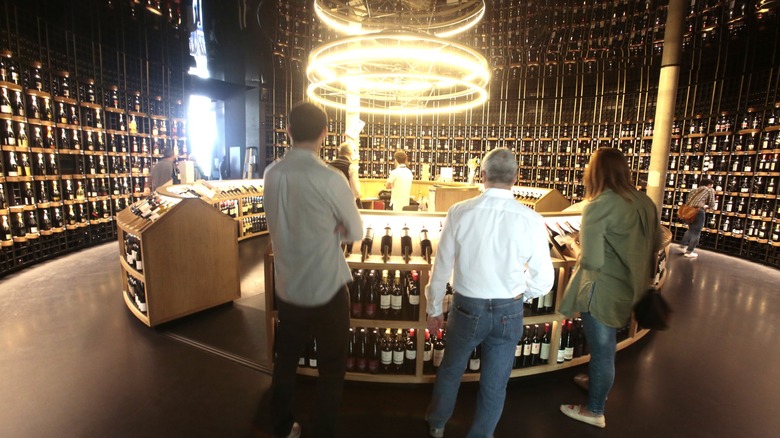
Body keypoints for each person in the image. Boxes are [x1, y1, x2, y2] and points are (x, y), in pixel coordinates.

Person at [424, 147, 555, 438]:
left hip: (467, 308)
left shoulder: (459, 212)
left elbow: (441, 265)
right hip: (510, 309)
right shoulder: (531, 218)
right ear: (516, 177)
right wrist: (523, 293)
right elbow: (544, 279)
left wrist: (434, 308)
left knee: (450, 370)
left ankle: (437, 424)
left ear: (482, 176)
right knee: (496, 383)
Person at [263, 102, 363, 438]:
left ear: (288, 131)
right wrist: (335, 229)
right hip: (328, 288)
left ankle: (281, 427)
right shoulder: (332, 179)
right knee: (332, 370)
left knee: (286, 362)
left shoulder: (271, 174)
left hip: (288, 287)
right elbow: (356, 232)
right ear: (324, 133)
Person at [558, 147, 661, 429]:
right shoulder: (644, 201)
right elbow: (656, 242)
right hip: (631, 287)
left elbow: (591, 260)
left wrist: (572, 244)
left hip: (602, 291)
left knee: (603, 352)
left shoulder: (598, 205)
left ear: (595, 171)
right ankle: (595, 381)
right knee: (607, 348)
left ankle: (594, 410)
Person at [679, 178, 715, 258]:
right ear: (709, 185)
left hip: (689, 212)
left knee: (691, 229)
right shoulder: (710, 190)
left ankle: (683, 246)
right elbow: (712, 204)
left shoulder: (693, 190)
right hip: (698, 211)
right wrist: (706, 206)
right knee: (696, 232)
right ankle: (689, 252)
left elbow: (687, 200)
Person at [329, 142, 361, 208]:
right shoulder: (351, 167)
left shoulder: (329, 165)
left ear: (339, 152)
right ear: (350, 153)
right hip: (347, 203)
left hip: (332, 202)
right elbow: (356, 191)